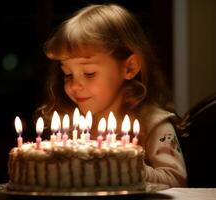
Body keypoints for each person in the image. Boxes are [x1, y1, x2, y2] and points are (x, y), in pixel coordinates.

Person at [35, 3, 187, 187]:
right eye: (68, 74)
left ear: (129, 67)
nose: (74, 85)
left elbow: (176, 180)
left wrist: (123, 164)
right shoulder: (67, 126)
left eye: (89, 73)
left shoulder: (152, 124)